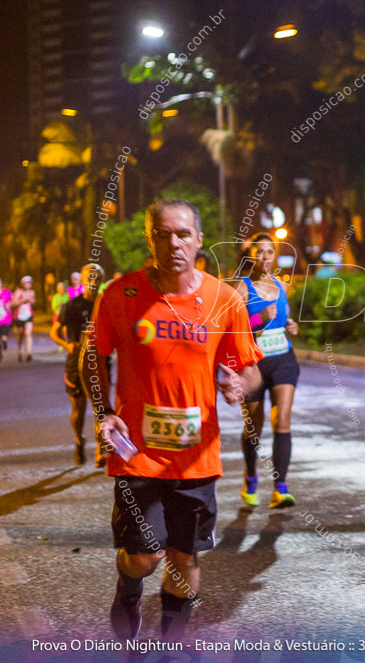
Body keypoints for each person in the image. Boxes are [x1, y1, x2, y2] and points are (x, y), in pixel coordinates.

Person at [83, 199, 262, 642]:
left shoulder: (223, 299)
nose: (173, 243)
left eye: (183, 233)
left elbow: (252, 367)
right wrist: (104, 413)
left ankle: (173, 644)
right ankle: (129, 586)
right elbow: (92, 356)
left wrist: (241, 384)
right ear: (151, 239)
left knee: (184, 558)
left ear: (200, 240)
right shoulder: (121, 295)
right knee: (145, 557)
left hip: (197, 458)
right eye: (162, 234)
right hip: (136, 454)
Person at [234, 233, 300, 509]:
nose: (265, 257)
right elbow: (234, 329)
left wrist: (292, 326)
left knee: (282, 420)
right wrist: (259, 318)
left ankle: (280, 488)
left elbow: (283, 319)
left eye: (269, 252)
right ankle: (251, 477)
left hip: (283, 358)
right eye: (259, 252)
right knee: (254, 426)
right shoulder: (242, 288)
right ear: (251, 255)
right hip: (253, 364)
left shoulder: (281, 286)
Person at [50, 264, 109, 467]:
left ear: (101, 281)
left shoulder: (106, 306)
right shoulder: (71, 306)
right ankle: (79, 439)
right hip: (75, 364)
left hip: (100, 363)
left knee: (100, 408)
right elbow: (54, 332)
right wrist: (67, 344)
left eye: (96, 278)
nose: (92, 281)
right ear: (83, 281)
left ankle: (100, 449)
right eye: (89, 278)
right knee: (78, 410)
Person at [11, 275, 36, 361]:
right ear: (23, 284)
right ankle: (20, 351)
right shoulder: (18, 292)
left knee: (28, 333)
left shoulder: (32, 292)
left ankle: (29, 352)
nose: (27, 285)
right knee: (21, 333)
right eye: (26, 283)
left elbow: (33, 302)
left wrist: (30, 299)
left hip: (29, 315)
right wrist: (22, 300)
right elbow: (13, 303)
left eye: (29, 283)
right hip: (19, 316)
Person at [0, 277, 11, 363]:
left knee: (4, 337)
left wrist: (9, 305)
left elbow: (12, 301)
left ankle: (4, 342)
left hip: (5, 319)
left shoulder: (6, 292)